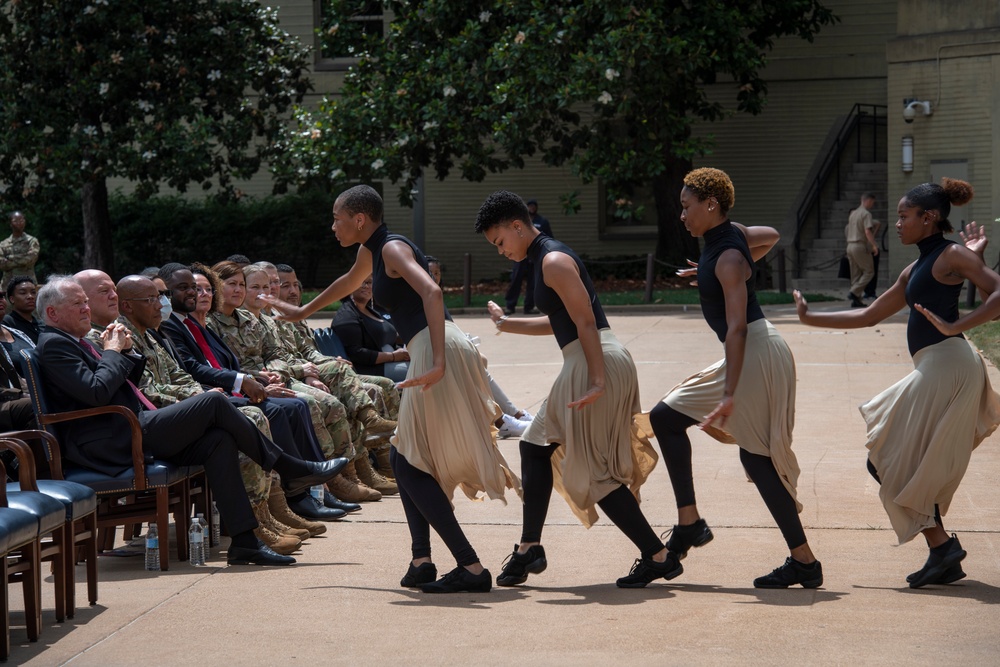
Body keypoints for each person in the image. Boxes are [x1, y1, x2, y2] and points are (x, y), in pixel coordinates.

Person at [269, 184, 519, 594]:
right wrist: (301, 310)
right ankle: (422, 560)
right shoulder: (373, 248)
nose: (333, 225)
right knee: (405, 461)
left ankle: (469, 567)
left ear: (359, 219)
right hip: (429, 346)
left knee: (407, 463)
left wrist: (436, 361)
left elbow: (433, 291)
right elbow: (349, 281)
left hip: (436, 348)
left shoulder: (390, 249)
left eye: (337, 218)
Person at [33, 276, 348, 566]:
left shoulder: (74, 340)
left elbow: (122, 382)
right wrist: (114, 352)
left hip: (131, 424)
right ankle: (290, 468)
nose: (86, 308)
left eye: (85, 302)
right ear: (53, 312)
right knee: (212, 401)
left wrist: (124, 352)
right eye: (78, 303)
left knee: (218, 442)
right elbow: (97, 392)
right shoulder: (54, 345)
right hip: (113, 438)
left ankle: (244, 542)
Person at [794, 178, 1000, 589]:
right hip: (936, 366)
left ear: (930, 218)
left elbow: (998, 293)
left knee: (884, 458)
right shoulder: (916, 267)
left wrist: (958, 323)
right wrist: (810, 318)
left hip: (949, 364)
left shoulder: (952, 254)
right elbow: (870, 315)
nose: (899, 224)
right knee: (899, 460)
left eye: (905, 217)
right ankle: (942, 551)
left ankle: (941, 548)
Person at [477, 190, 677, 589]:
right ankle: (529, 547)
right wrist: (507, 324)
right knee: (534, 447)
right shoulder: (545, 259)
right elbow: (562, 320)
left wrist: (598, 380)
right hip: (586, 361)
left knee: (593, 471)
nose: (500, 251)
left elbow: (586, 324)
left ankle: (658, 556)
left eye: (500, 241)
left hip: (593, 362)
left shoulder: (551, 260)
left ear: (517, 226)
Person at [648, 167, 823, 589]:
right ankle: (689, 523)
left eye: (687, 207)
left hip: (754, 351)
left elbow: (738, 327)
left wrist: (728, 394)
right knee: (666, 418)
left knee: (756, 457)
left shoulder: (727, 256)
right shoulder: (732, 239)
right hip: (754, 349)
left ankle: (804, 562)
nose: (682, 216)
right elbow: (774, 237)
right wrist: (709, 272)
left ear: (711, 206)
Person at [158, 263, 362, 517]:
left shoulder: (193, 323)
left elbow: (228, 362)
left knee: (295, 406)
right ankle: (293, 494)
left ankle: (313, 488)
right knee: (282, 410)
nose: (199, 294)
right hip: (208, 398)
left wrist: (257, 382)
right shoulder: (173, 326)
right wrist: (245, 382)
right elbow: (192, 369)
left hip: (228, 392)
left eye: (202, 288)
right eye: (188, 288)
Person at [330, 275, 410, 381]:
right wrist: (393, 356)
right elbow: (356, 354)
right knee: (419, 372)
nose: (366, 286)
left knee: (424, 364)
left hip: (389, 362)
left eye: (369, 282)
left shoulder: (370, 311)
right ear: (350, 286)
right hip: (369, 370)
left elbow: (390, 335)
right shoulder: (347, 316)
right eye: (361, 282)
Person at [504, 198, 553, 315]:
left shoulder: (542, 221)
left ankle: (529, 307)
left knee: (533, 283)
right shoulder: (520, 221)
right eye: (530, 206)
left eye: (534, 206)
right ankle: (510, 306)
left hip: (534, 257)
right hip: (519, 256)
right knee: (515, 280)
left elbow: (548, 238)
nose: (532, 208)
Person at [846, 192, 878, 308]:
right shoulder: (866, 214)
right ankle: (854, 292)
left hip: (850, 245)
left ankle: (856, 300)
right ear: (868, 200)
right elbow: (867, 231)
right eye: (872, 203)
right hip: (859, 245)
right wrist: (874, 245)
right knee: (869, 271)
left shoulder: (853, 214)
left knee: (855, 274)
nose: (872, 205)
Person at [0, 212, 40, 289]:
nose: (19, 223)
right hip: (7, 285)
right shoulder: (3, 244)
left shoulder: (31, 241)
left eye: (21, 220)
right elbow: (1, 264)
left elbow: (30, 260)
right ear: (10, 223)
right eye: (15, 221)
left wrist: (9, 258)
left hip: (27, 284)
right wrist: (22, 258)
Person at [3, 275, 42, 343]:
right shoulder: (6, 324)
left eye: (33, 292)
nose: (30, 296)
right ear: (12, 299)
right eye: (23, 293)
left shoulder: (42, 325)